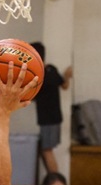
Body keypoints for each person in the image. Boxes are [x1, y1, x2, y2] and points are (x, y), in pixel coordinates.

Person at [29, 42, 72, 174]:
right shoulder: (51, 69)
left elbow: (29, 97)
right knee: (45, 150)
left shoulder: (37, 76)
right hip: (55, 117)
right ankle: (52, 178)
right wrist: (67, 76)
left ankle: (55, 180)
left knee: (47, 150)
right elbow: (64, 86)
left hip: (47, 119)